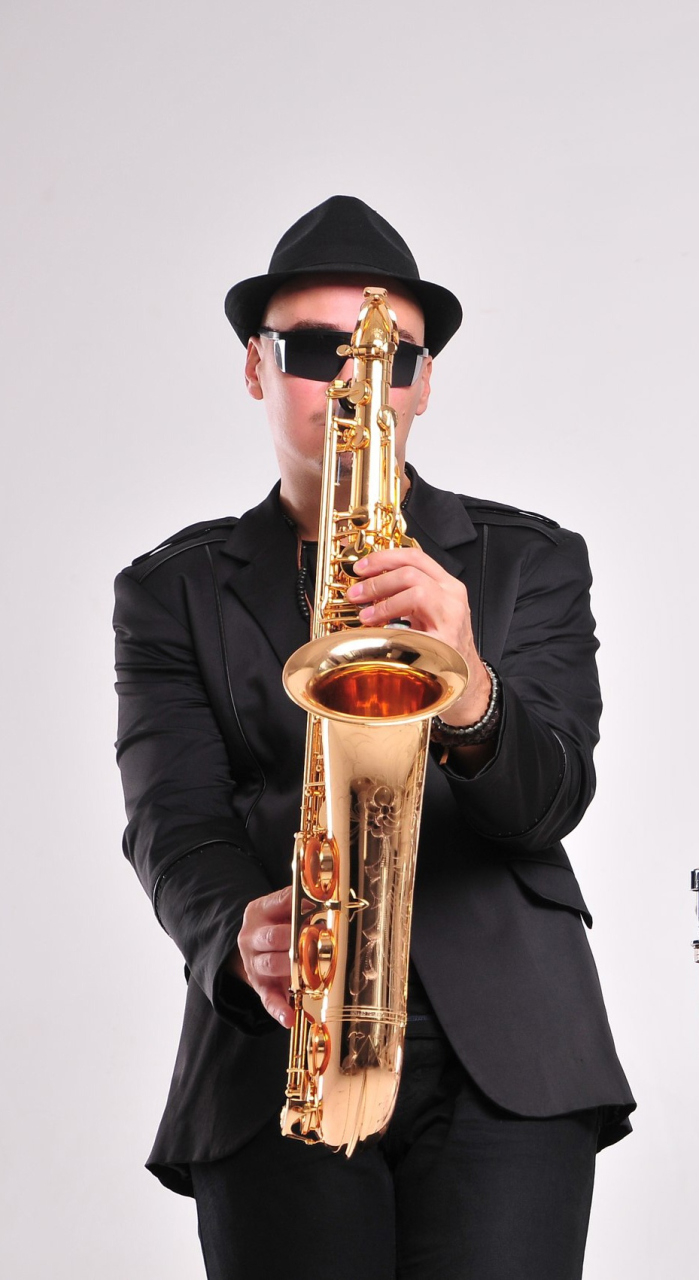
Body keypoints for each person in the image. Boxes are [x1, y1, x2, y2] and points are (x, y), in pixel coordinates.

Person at [114, 195, 635, 1280]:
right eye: (317, 352)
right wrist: (233, 934)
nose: (358, 385)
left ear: (423, 383)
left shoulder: (531, 560)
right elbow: (173, 823)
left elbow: (549, 802)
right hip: (283, 1042)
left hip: (511, 1057)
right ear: (254, 367)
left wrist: (467, 679)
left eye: (390, 358)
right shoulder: (170, 590)